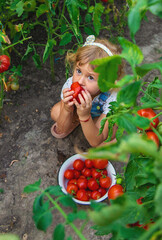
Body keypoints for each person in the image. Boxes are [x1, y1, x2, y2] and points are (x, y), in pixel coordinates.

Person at [50, 35, 125, 147]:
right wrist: (67, 109)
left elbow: (94, 142)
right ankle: (76, 121)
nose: (80, 81)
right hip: (83, 112)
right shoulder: (71, 84)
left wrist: (85, 117)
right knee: (56, 111)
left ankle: (108, 137)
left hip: (101, 117)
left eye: (90, 77)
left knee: (107, 134)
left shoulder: (113, 98)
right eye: (79, 71)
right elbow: (61, 128)